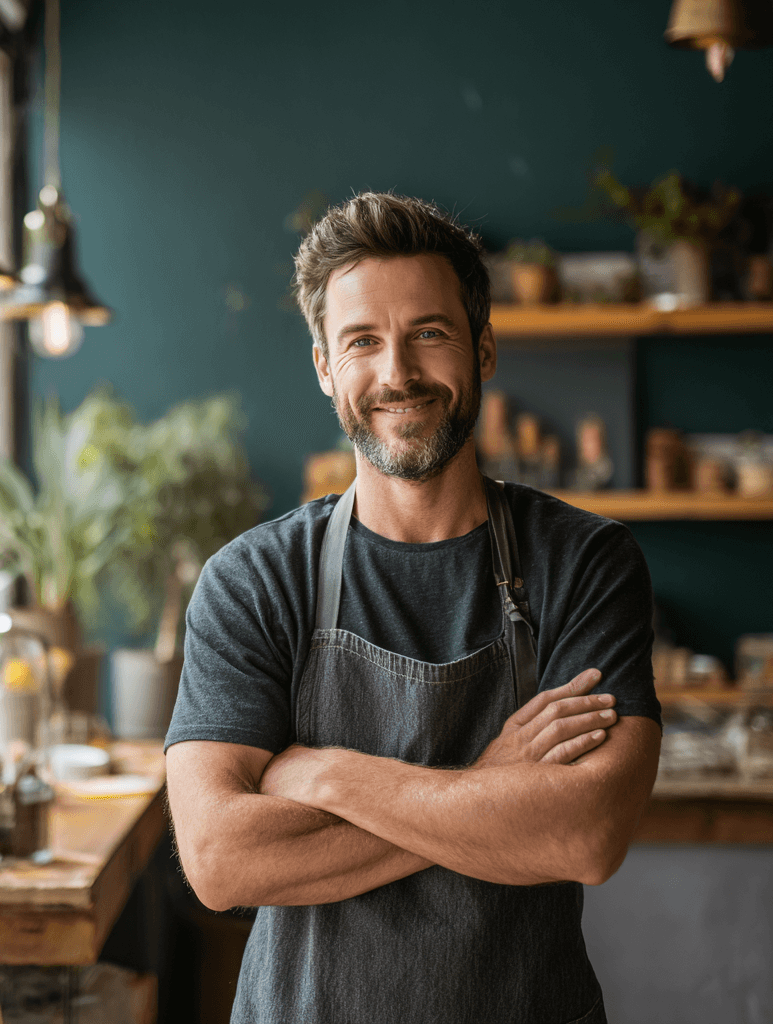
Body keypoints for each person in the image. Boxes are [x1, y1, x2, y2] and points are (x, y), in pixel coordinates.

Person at [164, 192, 662, 1024]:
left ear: (484, 349)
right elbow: (219, 859)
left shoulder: (584, 562)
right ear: (325, 366)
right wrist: (488, 788)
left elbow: (584, 834)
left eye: (429, 333)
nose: (397, 373)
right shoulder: (253, 580)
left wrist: (324, 772)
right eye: (363, 341)